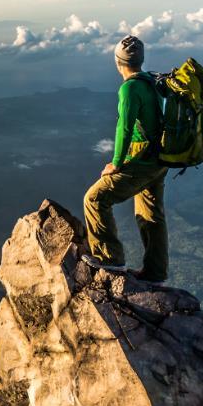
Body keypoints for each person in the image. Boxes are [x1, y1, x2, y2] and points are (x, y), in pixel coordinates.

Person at [82, 34, 169, 284]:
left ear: (117, 62)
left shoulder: (130, 87)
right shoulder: (151, 81)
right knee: (151, 215)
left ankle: (110, 259)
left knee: (95, 199)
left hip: (140, 161)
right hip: (159, 160)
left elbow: (125, 128)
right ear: (140, 60)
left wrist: (117, 163)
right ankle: (155, 273)